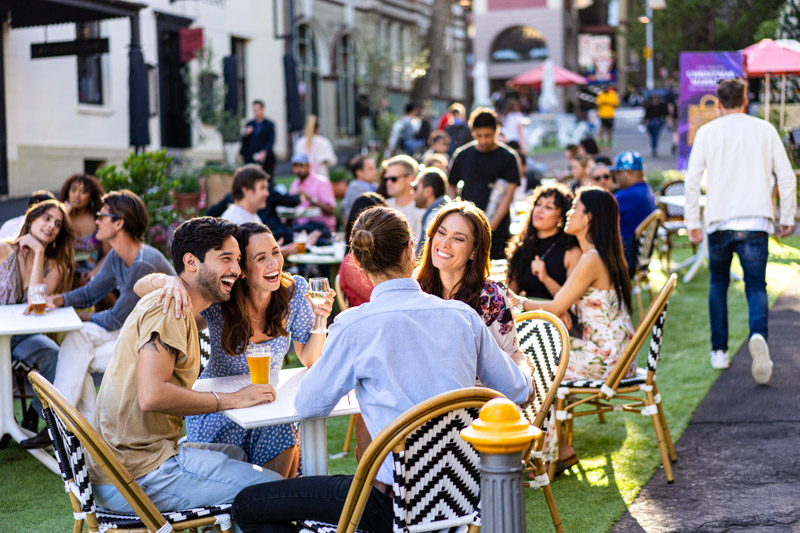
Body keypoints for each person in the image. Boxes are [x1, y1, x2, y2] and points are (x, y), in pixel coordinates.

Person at [233, 206, 532, 533]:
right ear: (410, 249)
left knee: (247, 506)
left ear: (357, 263)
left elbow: (308, 406)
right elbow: (519, 390)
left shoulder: (353, 326)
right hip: (463, 494)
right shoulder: (463, 317)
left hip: (391, 505)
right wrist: (524, 361)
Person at [87, 217, 283, 525]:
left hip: (127, 464)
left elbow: (144, 285)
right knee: (272, 488)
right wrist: (232, 399)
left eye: (238, 260)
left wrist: (165, 279)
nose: (238, 270)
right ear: (191, 262)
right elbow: (151, 396)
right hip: (136, 477)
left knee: (238, 455)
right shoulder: (171, 309)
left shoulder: (179, 304)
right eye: (226, 259)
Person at [134, 223, 334, 479]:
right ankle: (258, 509)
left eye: (275, 252)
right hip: (221, 409)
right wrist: (167, 280)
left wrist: (320, 319)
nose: (274, 263)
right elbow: (139, 289)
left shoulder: (294, 292)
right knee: (281, 430)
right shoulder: (221, 297)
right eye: (261, 258)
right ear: (242, 269)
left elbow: (310, 358)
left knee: (282, 427)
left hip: (266, 403)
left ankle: (272, 509)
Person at [20, 190, 176, 448]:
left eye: (102, 216)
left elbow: (115, 319)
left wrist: (74, 317)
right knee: (78, 345)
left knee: (79, 348)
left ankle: (66, 426)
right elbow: (92, 292)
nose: (96, 222)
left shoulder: (143, 263)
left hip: (156, 345)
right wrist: (58, 300)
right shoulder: (117, 255)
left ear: (119, 223)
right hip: (131, 334)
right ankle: (85, 433)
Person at [685, 77, 797, 382]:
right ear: (745, 100)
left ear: (719, 103)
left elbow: (692, 180)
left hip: (719, 220)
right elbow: (786, 177)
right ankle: (758, 334)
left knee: (718, 284)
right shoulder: (764, 129)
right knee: (756, 286)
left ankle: (719, 351)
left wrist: (692, 222)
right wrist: (787, 216)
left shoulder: (707, 132)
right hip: (756, 220)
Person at [516, 187, 634, 466]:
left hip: (607, 358)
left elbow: (557, 307)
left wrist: (514, 302)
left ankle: (546, 456)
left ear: (589, 218)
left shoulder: (591, 258)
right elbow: (564, 300)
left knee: (538, 369)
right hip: (615, 352)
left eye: (574, 209)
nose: (568, 214)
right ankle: (556, 450)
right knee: (538, 361)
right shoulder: (596, 254)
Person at [416, 202, 523, 363]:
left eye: (458, 238)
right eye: (441, 232)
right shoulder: (415, 286)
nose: (445, 243)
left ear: (474, 251)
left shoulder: (492, 295)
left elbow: (514, 357)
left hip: (476, 387)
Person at [0, 199, 73, 433]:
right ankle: (4, 423)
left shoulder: (55, 266)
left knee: (55, 355)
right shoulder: (3, 250)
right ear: (32, 218)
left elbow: (35, 299)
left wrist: (39, 251)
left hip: (23, 338)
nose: (52, 226)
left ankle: (33, 415)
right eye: (47, 218)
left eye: (58, 224)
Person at [448, 107, 521, 260]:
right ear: (472, 131)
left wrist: (493, 222)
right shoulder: (462, 155)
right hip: (467, 224)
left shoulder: (508, 157)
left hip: (497, 226)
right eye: (478, 135)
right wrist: (457, 210)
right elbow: (451, 185)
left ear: (497, 130)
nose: (483, 140)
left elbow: (509, 191)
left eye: (488, 135)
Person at [506, 184, 582, 300]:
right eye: (538, 204)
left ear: (561, 217)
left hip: (556, 316)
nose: (539, 210)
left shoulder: (571, 251)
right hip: (526, 315)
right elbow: (510, 293)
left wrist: (545, 278)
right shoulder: (522, 245)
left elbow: (571, 302)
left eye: (548, 207)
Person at [58, 174, 110, 288]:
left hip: (93, 275)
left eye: (83, 192)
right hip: (65, 275)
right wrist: (63, 215)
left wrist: (93, 273)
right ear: (68, 192)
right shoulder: (59, 219)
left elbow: (109, 254)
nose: (77, 195)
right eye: (73, 190)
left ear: (91, 196)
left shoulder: (98, 220)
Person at [611, 151, 657, 277]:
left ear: (628, 173)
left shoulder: (626, 196)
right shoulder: (644, 190)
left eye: (617, 173)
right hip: (636, 257)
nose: (615, 177)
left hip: (625, 260)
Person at [339, 193, 386, 307]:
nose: (385, 224)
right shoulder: (352, 262)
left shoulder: (378, 255)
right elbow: (383, 299)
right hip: (369, 320)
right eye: (378, 219)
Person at [288, 153, 337, 235]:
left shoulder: (321, 182)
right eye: (295, 166)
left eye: (301, 166)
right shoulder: (294, 184)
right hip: (300, 228)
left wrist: (310, 198)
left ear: (309, 166)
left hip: (320, 228)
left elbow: (331, 210)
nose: (298, 170)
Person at [382, 155, 424, 239]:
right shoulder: (383, 206)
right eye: (386, 179)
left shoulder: (420, 210)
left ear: (410, 179)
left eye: (394, 179)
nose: (388, 183)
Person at [411, 167, 449, 257]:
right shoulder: (439, 211)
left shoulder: (435, 215)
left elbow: (428, 253)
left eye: (416, 188)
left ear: (428, 191)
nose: (412, 192)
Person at [240, 100, 276, 177]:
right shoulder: (250, 124)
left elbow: (271, 140)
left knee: (266, 178)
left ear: (262, 109)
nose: (256, 112)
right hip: (251, 157)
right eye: (254, 110)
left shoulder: (269, 125)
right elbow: (244, 142)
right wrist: (246, 134)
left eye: (257, 109)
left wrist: (264, 151)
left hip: (266, 159)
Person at [342, 154, 378, 221]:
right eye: (370, 169)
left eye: (375, 168)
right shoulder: (354, 188)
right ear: (359, 172)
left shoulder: (375, 185)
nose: (375, 171)